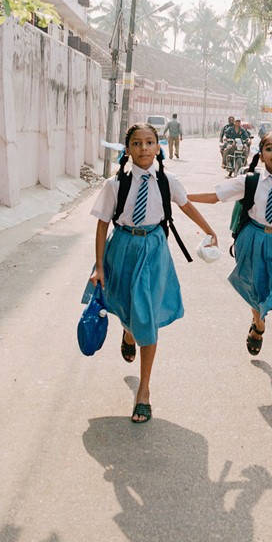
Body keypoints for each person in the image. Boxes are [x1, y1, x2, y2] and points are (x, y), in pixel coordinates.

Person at [90, 123, 218, 423]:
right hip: (122, 248)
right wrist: (98, 266)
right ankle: (128, 331)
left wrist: (210, 230)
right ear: (128, 149)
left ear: (158, 147)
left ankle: (143, 391)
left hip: (154, 250)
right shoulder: (115, 185)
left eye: (150, 142)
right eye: (137, 143)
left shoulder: (167, 181)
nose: (144, 148)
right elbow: (102, 225)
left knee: (146, 315)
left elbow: (186, 207)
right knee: (125, 307)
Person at [189, 133, 272, 397]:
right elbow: (216, 195)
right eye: (269, 148)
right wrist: (181, 197)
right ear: (261, 154)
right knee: (257, 295)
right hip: (254, 241)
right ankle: (258, 324)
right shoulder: (249, 182)